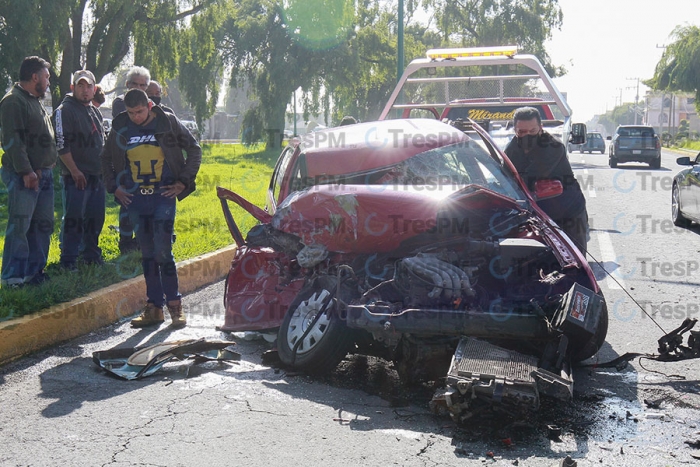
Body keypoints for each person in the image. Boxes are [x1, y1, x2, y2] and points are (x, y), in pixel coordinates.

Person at [101, 88, 201, 328]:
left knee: (163, 251)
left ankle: (175, 307)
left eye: (140, 111)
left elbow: (194, 149)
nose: (136, 116)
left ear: (149, 104)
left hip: (163, 197)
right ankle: (154, 308)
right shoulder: (120, 126)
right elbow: (105, 159)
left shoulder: (168, 121)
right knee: (147, 254)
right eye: (131, 112)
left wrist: (183, 181)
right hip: (135, 200)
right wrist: (114, 187)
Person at [0, 56, 58, 288]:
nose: (48, 81)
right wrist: (26, 171)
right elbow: (13, 141)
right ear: (35, 77)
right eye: (46, 76)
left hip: (43, 175)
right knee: (20, 226)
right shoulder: (14, 101)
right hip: (24, 176)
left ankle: (33, 273)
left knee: (42, 225)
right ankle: (13, 278)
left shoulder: (33, 99)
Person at [504, 107, 589, 254]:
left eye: (532, 131)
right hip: (534, 209)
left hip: (567, 209)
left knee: (574, 257)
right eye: (522, 132)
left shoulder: (553, 146)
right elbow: (505, 175)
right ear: (515, 130)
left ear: (540, 128)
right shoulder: (511, 149)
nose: (527, 135)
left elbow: (529, 178)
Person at [52, 69, 106, 270]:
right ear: (73, 87)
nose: (85, 90)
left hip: (96, 175)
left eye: (89, 86)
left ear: (94, 89)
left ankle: (91, 255)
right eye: (80, 86)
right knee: (74, 219)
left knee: (95, 218)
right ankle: (68, 260)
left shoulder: (94, 111)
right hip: (75, 176)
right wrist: (74, 170)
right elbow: (60, 143)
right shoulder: (64, 110)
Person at [112, 66, 150, 253]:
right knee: (127, 202)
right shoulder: (120, 103)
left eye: (143, 85)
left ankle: (142, 239)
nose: (138, 88)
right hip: (126, 161)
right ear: (127, 85)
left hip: (146, 163)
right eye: (135, 84)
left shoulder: (151, 106)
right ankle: (125, 241)